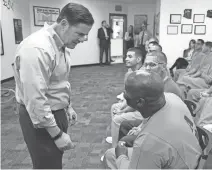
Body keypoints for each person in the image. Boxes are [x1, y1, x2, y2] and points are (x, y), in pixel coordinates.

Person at [12, 3, 94, 169]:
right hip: (39, 119)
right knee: (46, 165)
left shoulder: (60, 44)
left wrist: (67, 106)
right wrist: (56, 135)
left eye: (86, 35)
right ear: (64, 23)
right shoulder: (37, 49)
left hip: (55, 112)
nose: (84, 39)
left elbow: (58, 80)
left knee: (54, 162)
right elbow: (35, 100)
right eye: (80, 33)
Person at [103, 70, 202, 169]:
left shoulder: (148, 141)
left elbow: (150, 143)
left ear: (139, 102)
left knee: (113, 156)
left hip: (182, 165)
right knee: (110, 154)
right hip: (189, 155)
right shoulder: (172, 98)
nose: (124, 95)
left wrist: (121, 155)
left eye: (126, 93)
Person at [114, 51, 184, 148]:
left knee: (126, 135)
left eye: (152, 65)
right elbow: (152, 112)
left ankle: (125, 155)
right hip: (159, 122)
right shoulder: (155, 82)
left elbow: (160, 118)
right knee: (125, 125)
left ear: (163, 66)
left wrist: (140, 129)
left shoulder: (168, 88)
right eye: (146, 64)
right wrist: (140, 126)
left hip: (167, 131)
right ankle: (120, 152)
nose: (147, 68)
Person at [106, 47, 145, 146]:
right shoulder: (130, 73)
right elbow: (129, 96)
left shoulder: (141, 75)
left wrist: (123, 111)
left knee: (117, 118)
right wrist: (121, 107)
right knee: (114, 107)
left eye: (130, 57)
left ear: (138, 60)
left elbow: (136, 102)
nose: (126, 59)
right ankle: (116, 134)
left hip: (143, 111)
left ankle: (115, 150)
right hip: (135, 107)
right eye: (126, 56)